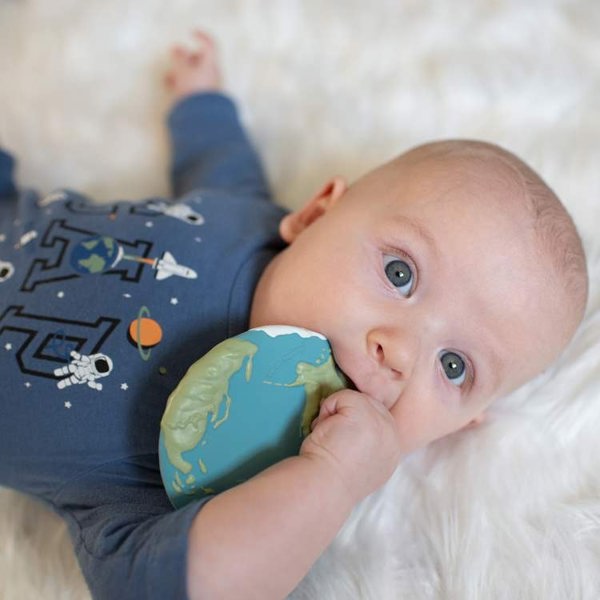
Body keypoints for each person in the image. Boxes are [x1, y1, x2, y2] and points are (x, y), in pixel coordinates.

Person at [0, 30, 588, 600]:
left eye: (455, 366)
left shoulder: (212, 477)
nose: (402, 351)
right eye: (400, 274)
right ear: (312, 218)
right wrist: (201, 104)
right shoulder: (249, 217)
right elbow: (218, 164)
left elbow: (185, 585)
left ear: (465, 425)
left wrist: (330, 480)